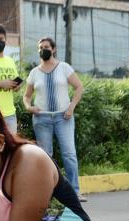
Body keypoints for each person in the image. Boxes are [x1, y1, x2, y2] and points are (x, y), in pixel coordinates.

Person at [23, 37, 86, 201]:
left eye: (46, 47)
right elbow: (26, 96)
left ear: (53, 49)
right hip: (41, 118)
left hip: (63, 117)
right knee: (46, 156)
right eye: (40, 47)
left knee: (69, 154)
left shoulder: (64, 67)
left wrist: (72, 107)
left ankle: (75, 191)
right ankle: (49, 191)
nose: (43, 49)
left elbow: (79, 87)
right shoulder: (34, 72)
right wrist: (29, 107)